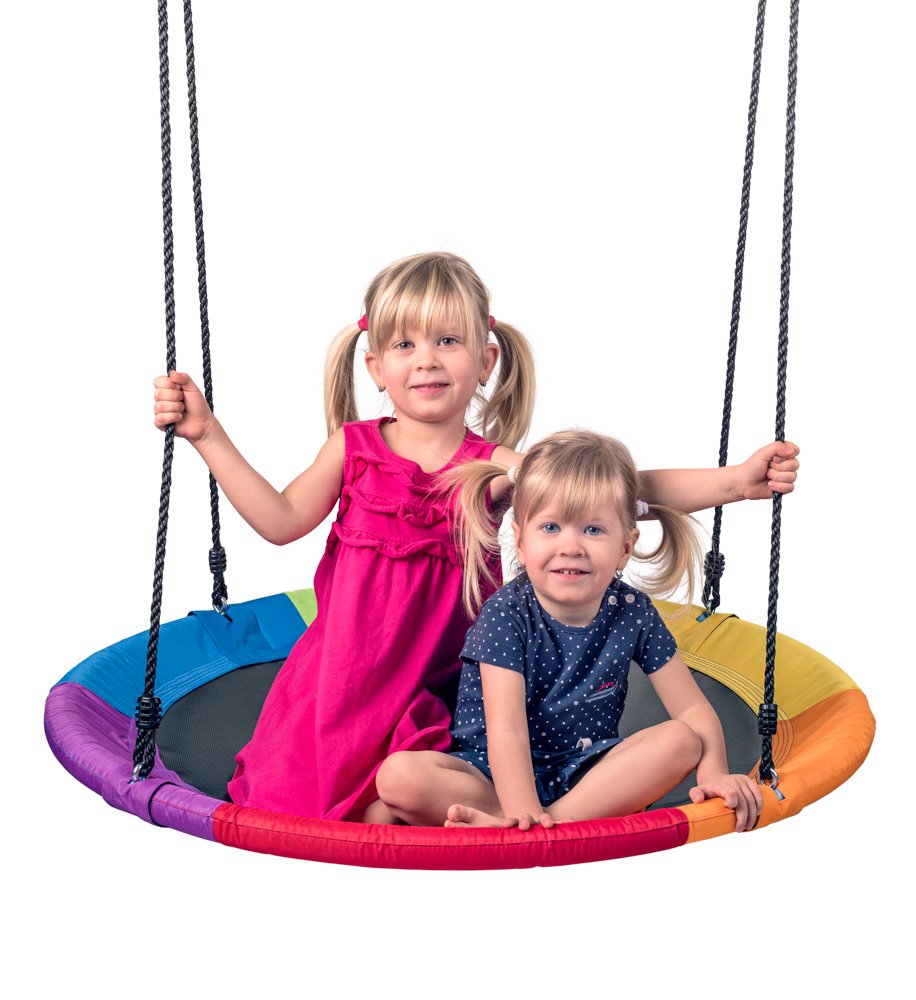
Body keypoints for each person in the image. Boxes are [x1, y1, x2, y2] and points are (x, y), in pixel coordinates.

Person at [153, 251, 798, 823]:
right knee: (328, 806)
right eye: (404, 345)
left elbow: (610, 488)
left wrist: (733, 483)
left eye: (447, 341)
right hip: (340, 683)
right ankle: (494, 817)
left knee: (396, 795)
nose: (426, 360)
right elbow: (278, 521)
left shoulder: (494, 467)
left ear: (486, 360)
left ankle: (517, 819)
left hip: (435, 696)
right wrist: (209, 436)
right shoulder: (352, 450)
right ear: (375, 366)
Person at [375, 430, 765, 832]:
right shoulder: (506, 615)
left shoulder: (632, 611)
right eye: (551, 528)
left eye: (593, 530)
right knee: (399, 777)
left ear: (626, 547)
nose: (571, 546)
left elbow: (690, 709)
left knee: (681, 740)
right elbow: (507, 731)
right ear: (520, 541)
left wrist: (715, 772)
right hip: (490, 772)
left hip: (586, 773)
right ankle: (530, 823)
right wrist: (524, 810)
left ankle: (529, 828)